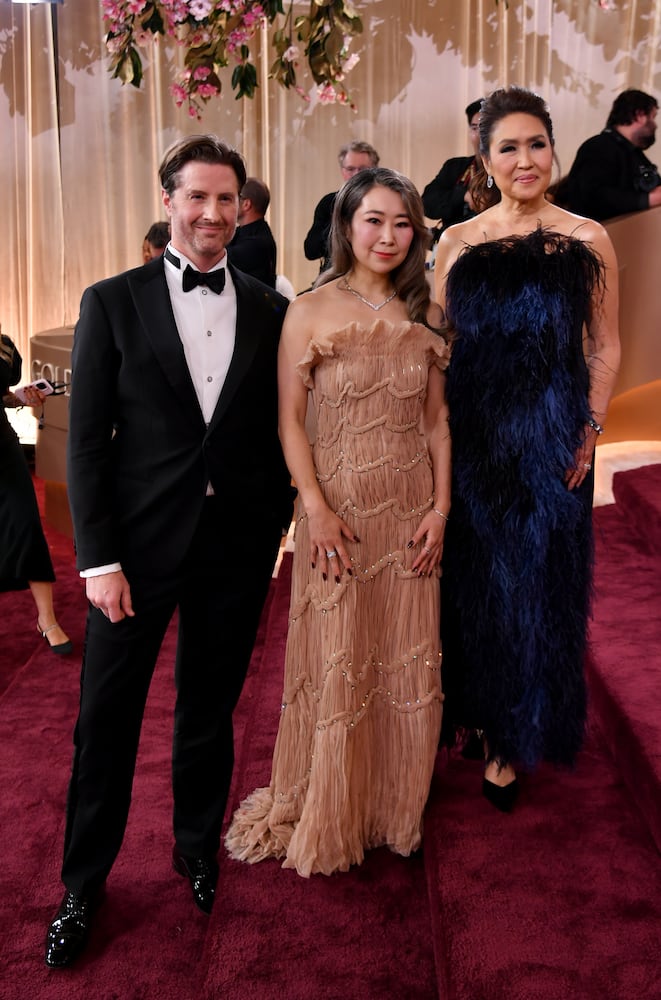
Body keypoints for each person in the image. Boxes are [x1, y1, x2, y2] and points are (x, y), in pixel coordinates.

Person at [44, 134, 294, 968]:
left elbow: (275, 429)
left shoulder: (269, 305)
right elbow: (85, 446)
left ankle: (195, 848)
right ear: (168, 201)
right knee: (104, 721)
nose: (212, 215)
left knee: (208, 711)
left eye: (227, 200)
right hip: (136, 553)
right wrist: (98, 559)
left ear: (243, 207)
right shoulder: (111, 301)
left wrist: (276, 521)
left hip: (234, 548)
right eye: (197, 198)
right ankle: (83, 884)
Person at [225, 167, 451, 877]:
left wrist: (442, 510)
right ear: (346, 226)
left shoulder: (428, 312)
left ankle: (389, 808)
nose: (387, 236)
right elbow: (289, 422)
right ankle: (330, 799)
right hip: (338, 517)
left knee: (402, 653)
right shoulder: (311, 310)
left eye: (402, 223)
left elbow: (439, 423)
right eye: (373, 220)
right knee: (340, 653)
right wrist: (313, 509)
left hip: (412, 512)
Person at [434, 87, 620, 811]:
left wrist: (590, 425)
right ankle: (480, 711)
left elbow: (603, 345)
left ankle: (518, 736)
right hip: (475, 440)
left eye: (535, 144)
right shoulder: (457, 242)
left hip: (553, 442)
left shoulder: (585, 237)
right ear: (484, 159)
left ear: (554, 149)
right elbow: (441, 345)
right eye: (506, 147)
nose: (524, 160)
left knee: (539, 589)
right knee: (475, 586)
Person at [0, 332, 72, 654]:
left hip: (0, 447)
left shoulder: (2, 345)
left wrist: (22, 398)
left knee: (26, 521)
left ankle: (47, 619)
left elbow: (1, 396)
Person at [566, 89, 661, 221]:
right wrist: (649, 199)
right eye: (652, 117)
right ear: (639, 115)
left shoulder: (634, 153)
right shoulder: (598, 147)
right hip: (601, 236)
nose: (655, 125)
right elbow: (593, 197)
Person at [303, 140, 380, 273]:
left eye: (362, 169)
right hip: (335, 277)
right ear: (342, 171)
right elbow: (311, 251)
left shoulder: (384, 202)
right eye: (350, 169)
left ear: (375, 170)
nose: (356, 174)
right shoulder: (329, 203)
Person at [422, 99, 483, 232]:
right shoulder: (455, 167)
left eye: (485, 128)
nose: (479, 135)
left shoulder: (507, 169)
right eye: (474, 128)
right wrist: (464, 195)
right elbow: (427, 203)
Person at [227, 177, 277, 287]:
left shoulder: (258, 243)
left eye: (232, 198)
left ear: (246, 204)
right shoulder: (243, 232)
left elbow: (213, 259)